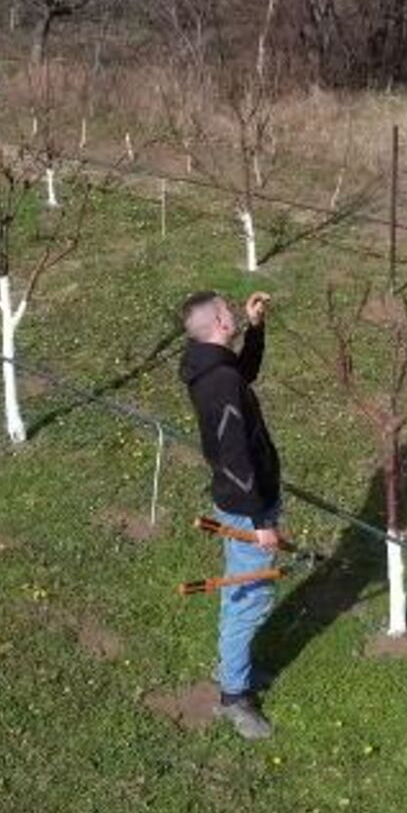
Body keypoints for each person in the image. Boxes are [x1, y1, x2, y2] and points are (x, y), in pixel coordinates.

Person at [179, 290, 283, 740]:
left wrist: (256, 328)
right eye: (231, 310)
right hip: (245, 507)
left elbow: (245, 372)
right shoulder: (218, 382)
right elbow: (237, 456)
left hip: (238, 502)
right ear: (221, 321)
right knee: (249, 597)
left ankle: (232, 668)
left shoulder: (209, 364)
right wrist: (261, 522)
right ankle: (234, 696)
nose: (233, 312)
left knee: (242, 593)